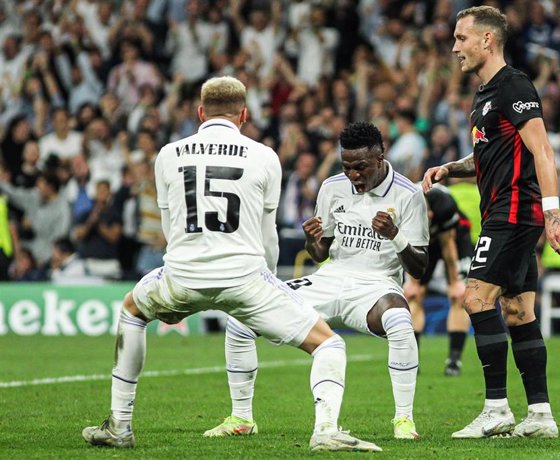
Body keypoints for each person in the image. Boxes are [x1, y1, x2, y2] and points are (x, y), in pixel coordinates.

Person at [82, 76, 380, 452]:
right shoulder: (264, 156)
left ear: (200, 113)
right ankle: (325, 431)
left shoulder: (169, 154)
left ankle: (120, 426)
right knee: (329, 345)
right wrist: (271, 284)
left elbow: (171, 229)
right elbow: (267, 234)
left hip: (182, 273)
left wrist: (177, 284)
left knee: (132, 311)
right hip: (245, 278)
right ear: (244, 114)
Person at [205, 122, 430, 440]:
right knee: (242, 317)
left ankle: (404, 421)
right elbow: (321, 252)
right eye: (347, 166)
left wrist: (395, 236)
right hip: (330, 277)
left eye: (361, 167)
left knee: (400, 321)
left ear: (381, 158)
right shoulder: (332, 187)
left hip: (376, 285)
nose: (354, 175)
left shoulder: (409, 195)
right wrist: (313, 240)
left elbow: (419, 267)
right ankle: (241, 418)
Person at [422, 6, 560, 439]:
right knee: (518, 310)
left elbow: (542, 150)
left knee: (475, 298)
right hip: (508, 214)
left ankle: (496, 409)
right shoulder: (485, 96)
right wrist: (450, 168)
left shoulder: (514, 86)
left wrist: (553, 212)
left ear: (487, 40)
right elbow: (489, 155)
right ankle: (540, 415)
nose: (454, 48)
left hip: (512, 215)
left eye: (461, 38)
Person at [404, 184, 472, 376]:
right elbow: (405, 248)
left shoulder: (444, 205)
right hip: (422, 245)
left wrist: (456, 282)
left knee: (459, 296)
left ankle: (454, 361)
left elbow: (448, 245)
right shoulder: (399, 207)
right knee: (413, 296)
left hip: (454, 236)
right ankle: (412, 360)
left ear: (431, 213)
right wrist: (413, 283)